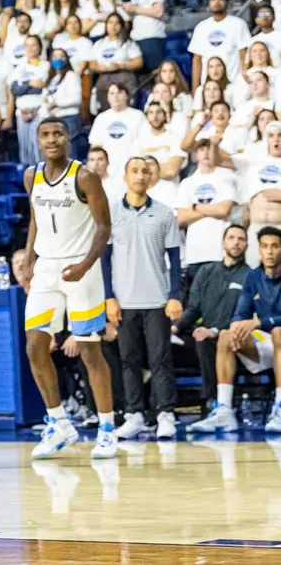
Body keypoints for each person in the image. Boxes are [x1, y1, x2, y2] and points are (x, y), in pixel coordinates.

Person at [23, 118, 118, 459]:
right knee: (35, 345)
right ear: (38, 140)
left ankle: (107, 428)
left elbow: (104, 227)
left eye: (57, 134)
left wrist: (86, 265)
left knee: (91, 351)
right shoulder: (31, 175)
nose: (51, 140)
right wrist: (29, 258)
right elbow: (35, 218)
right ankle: (58, 422)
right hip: (46, 267)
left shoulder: (84, 176)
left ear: (67, 138)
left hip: (81, 266)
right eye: (45, 135)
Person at [104, 156, 182, 441]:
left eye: (145, 171)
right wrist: (108, 298)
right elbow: (104, 259)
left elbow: (174, 257)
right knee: (128, 360)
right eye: (134, 170)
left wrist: (174, 295)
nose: (140, 175)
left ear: (152, 178)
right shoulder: (111, 214)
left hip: (157, 299)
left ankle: (165, 414)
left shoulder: (164, 214)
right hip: (124, 301)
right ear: (125, 176)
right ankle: (134, 414)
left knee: (161, 359)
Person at [190, 226, 281, 434]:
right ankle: (224, 411)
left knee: (279, 332)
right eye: (265, 246)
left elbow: (267, 323)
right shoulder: (253, 276)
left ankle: (280, 408)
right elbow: (241, 312)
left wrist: (260, 322)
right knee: (225, 335)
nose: (269, 252)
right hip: (264, 347)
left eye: (275, 246)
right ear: (258, 250)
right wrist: (237, 326)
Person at [177, 225, 249, 421]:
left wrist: (215, 330)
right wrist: (175, 327)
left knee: (205, 341)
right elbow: (193, 309)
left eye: (241, 239)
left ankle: (214, 402)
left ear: (247, 245)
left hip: (233, 337)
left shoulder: (250, 276)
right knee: (162, 345)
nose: (236, 242)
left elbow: (243, 315)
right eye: (232, 238)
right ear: (223, 242)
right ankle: (156, 409)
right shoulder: (206, 271)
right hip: (203, 333)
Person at [188, 0, 251, 89]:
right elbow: (197, 60)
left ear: (227, 2)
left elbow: (244, 55)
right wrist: (195, 88)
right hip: (208, 86)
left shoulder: (238, 24)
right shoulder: (201, 27)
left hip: (234, 84)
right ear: (209, 3)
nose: (216, 2)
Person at [117, 0, 166, 75]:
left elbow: (158, 11)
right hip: (139, 36)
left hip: (152, 36)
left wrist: (135, 9)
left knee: (155, 72)